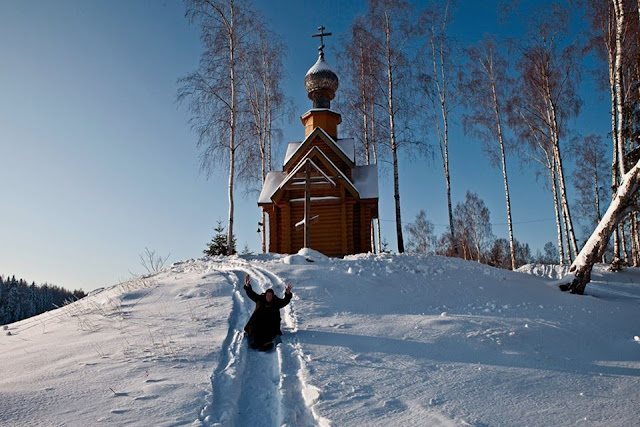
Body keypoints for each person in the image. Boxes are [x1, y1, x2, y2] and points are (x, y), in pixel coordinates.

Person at [243, 274, 293, 351]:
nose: (269, 297)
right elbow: (251, 294)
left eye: (270, 296)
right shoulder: (260, 299)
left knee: (269, 329)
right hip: (258, 321)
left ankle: (265, 344)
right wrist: (247, 285)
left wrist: (287, 293)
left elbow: (285, 301)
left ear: (273, 296)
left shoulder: (276, 302)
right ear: (265, 295)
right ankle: (255, 342)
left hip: (271, 322)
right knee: (254, 326)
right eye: (267, 295)